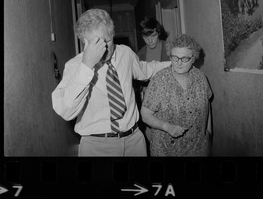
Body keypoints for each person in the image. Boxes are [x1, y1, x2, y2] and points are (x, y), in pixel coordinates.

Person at [51, 9, 170, 156]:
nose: (103, 50)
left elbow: (146, 69)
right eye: (96, 43)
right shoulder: (75, 66)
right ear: (84, 41)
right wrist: (87, 66)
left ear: (113, 35)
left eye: (107, 41)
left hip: (134, 141)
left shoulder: (125, 53)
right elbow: (65, 110)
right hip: (96, 146)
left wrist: (175, 64)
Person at [141, 34, 213, 156]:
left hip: (197, 148)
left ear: (194, 58)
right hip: (167, 150)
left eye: (185, 59)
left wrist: (208, 132)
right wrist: (167, 127)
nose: (179, 63)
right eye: (174, 57)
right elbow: (145, 115)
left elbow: (207, 106)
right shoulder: (159, 80)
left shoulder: (201, 78)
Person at [135, 17, 170, 153]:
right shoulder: (140, 54)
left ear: (158, 33)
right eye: (146, 36)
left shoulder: (169, 48)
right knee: (150, 132)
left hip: (166, 97)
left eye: (153, 35)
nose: (150, 41)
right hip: (147, 98)